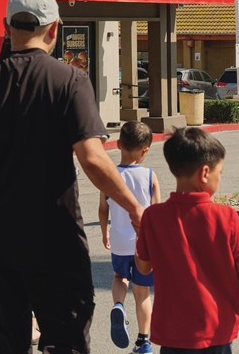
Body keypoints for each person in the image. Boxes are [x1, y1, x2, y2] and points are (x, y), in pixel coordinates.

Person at [0, 0, 145, 354]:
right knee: (67, 341)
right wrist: (135, 208)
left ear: (6, 27)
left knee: (9, 341)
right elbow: (92, 158)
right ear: (54, 29)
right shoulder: (70, 81)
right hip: (56, 241)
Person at [135, 128, 239, 354]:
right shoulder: (225, 216)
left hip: (173, 334)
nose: (220, 177)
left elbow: (144, 268)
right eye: (221, 172)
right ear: (205, 173)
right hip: (216, 329)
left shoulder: (152, 217)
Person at [98, 121, 160, 353]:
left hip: (120, 240)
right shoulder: (150, 176)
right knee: (143, 292)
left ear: (119, 144)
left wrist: (105, 231)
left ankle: (118, 305)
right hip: (143, 244)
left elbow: (102, 209)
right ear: (145, 150)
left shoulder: (109, 176)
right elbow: (156, 213)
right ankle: (143, 341)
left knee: (119, 276)